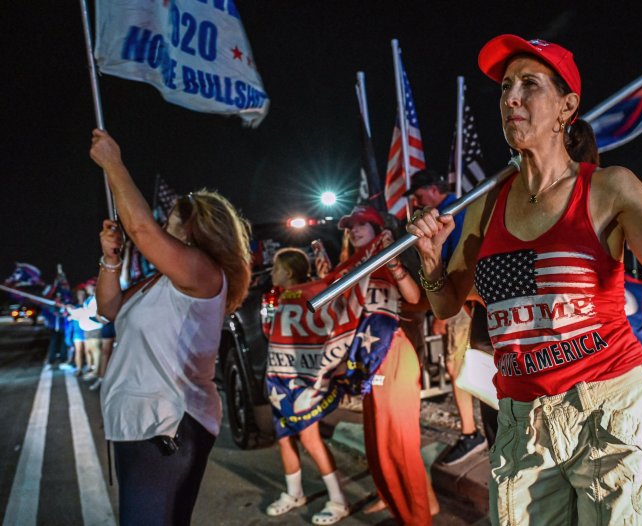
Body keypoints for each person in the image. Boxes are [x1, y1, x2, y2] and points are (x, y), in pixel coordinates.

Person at [406, 35, 642, 525]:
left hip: (609, 414)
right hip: (522, 423)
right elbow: (445, 305)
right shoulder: (487, 203)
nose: (511, 98)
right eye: (506, 87)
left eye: (529, 84)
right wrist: (431, 257)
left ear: (566, 106)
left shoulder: (607, 188)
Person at [89, 129, 252, 526]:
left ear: (197, 230)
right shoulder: (160, 280)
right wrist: (111, 260)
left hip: (166, 424)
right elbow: (109, 308)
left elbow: (142, 230)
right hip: (140, 422)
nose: (162, 225)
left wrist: (114, 164)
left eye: (172, 220)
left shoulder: (202, 272)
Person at [317, 205, 437, 525]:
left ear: (376, 229)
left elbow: (413, 297)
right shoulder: (349, 267)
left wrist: (392, 261)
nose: (355, 230)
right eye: (350, 226)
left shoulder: (384, 257)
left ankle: (419, 517)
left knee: (398, 446)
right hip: (367, 363)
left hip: (393, 355)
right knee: (379, 444)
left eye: (362, 225)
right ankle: (404, 503)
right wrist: (324, 279)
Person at [264, 248, 350, 525]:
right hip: (280, 380)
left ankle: (338, 500)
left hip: (301, 382)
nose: (271, 273)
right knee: (284, 437)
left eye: (275, 268)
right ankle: (294, 493)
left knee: (311, 440)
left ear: (288, 272)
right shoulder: (281, 298)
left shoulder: (308, 294)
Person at [405, 169, 485, 466]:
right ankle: (476, 428)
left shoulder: (456, 211)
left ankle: (470, 431)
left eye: (419, 194)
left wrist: (445, 311)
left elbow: (459, 262)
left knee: (457, 365)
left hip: (463, 298)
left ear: (435, 191)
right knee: (461, 365)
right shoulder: (459, 208)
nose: (416, 201)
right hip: (460, 298)